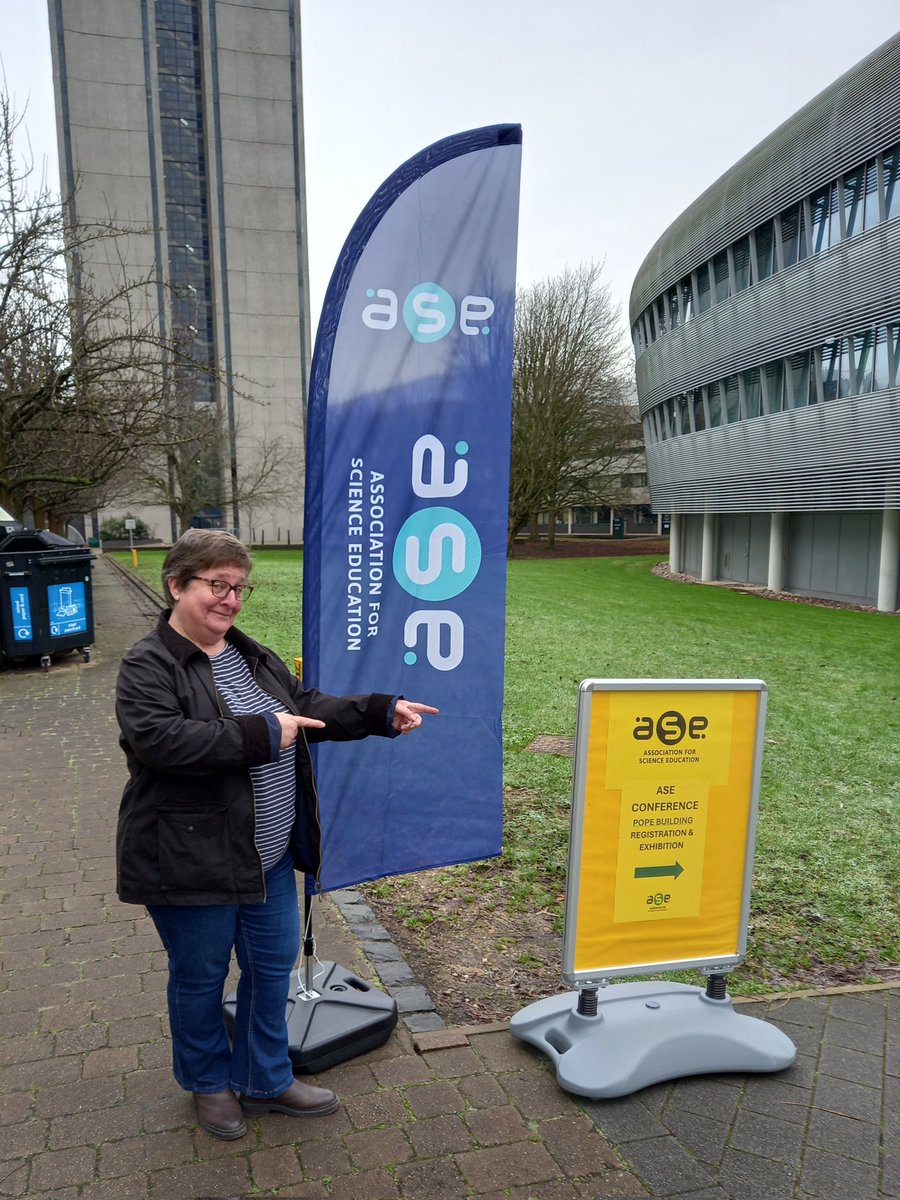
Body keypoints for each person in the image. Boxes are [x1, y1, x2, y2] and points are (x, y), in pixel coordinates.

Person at [115, 529, 437, 1140]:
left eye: (239, 587)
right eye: (217, 584)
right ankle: (208, 1083)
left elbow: (302, 707)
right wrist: (263, 733)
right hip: (191, 860)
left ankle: (265, 1077)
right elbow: (161, 742)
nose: (231, 599)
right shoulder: (148, 663)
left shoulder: (249, 654)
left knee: (270, 973)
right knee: (200, 979)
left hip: (266, 858)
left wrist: (377, 711)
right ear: (177, 585)